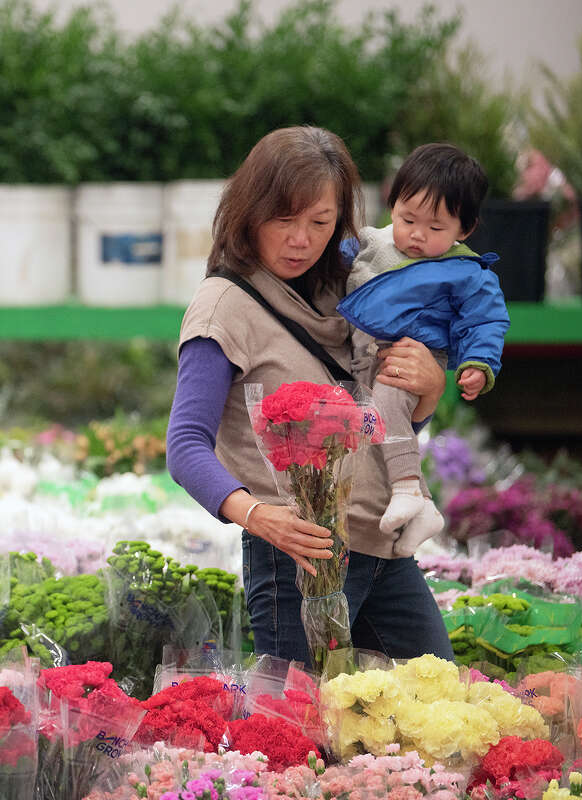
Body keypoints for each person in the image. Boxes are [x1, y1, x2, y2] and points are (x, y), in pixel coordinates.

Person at [165, 125, 454, 666]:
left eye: (320, 223)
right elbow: (184, 447)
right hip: (295, 559)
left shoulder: (354, 294)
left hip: (383, 544)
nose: (301, 239)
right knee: (307, 728)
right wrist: (256, 516)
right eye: (284, 220)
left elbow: (384, 432)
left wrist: (429, 391)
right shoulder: (223, 306)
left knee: (432, 703)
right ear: (249, 213)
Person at [337, 143, 510, 557]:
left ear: (463, 230)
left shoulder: (468, 273)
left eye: (435, 228)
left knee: (385, 406)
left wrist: (479, 364)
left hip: (416, 357)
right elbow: (342, 247)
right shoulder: (374, 243)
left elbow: (487, 321)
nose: (416, 234)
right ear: (392, 205)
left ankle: (407, 490)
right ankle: (424, 509)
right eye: (407, 218)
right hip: (370, 354)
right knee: (373, 427)